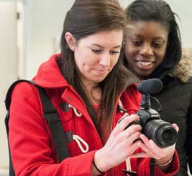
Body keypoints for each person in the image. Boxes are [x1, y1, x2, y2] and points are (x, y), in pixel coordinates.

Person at [8, 0, 180, 175]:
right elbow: (31, 172)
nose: (106, 63)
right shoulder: (30, 96)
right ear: (71, 41)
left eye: (114, 51)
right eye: (96, 50)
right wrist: (99, 161)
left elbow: (140, 167)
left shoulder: (129, 92)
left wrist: (163, 160)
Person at [123, 0, 192, 175]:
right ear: (123, 40)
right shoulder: (104, 84)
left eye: (157, 44)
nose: (146, 51)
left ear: (169, 44)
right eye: (137, 42)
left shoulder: (188, 85)